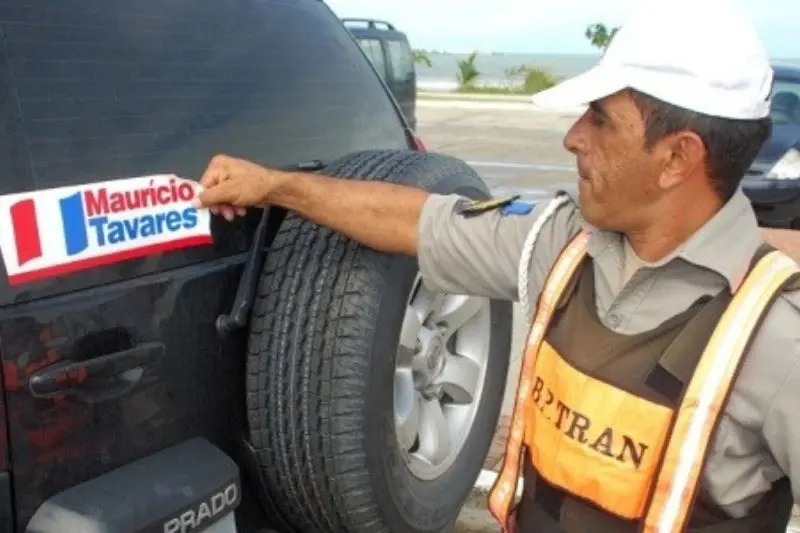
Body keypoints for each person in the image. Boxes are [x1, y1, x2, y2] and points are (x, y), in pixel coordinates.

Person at [192, 0, 800, 530]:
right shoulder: (566, 244)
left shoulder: (779, 339)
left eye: (601, 119)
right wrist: (274, 186)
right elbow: (416, 220)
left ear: (677, 158)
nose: (573, 137)